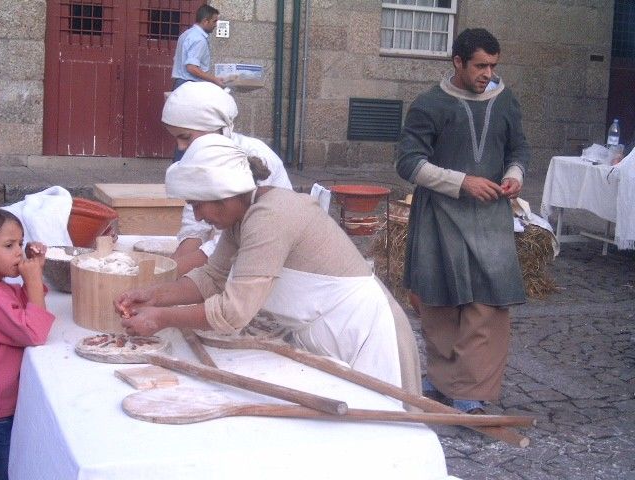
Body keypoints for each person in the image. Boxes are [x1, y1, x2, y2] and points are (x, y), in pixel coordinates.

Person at [115, 134, 422, 398]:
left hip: (363, 334)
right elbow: (211, 277)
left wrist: (162, 318)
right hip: (325, 330)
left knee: (375, 440)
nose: (196, 218)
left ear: (225, 195)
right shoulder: (243, 216)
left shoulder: (270, 217)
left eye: (198, 205)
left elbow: (233, 312)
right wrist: (153, 296)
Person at [396, 28, 530, 414]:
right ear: (458, 62)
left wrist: (515, 174)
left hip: (490, 217)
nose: (488, 73)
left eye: (493, 65)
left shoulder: (505, 102)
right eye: (480, 65)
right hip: (440, 214)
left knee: (487, 303)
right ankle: (441, 381)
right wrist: (461, 182)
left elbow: (519, 146)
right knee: (438, 301)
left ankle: (471, 389)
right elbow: (408, 163)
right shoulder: (429, 104)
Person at [161, 80, 293, 275]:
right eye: (176, 138)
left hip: (267, 264)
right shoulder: (197, 162)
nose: (180, 147)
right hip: (226, 260)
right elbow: (194, 228)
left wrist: (166, 277)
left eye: (186, 137)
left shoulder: (254, 158)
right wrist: (166, 271)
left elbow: (224, 246)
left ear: (215, 127)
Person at [0, 210, 55, 479]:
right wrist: (32, 280)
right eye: (9, 245)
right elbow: (34, 332)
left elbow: (22, 305)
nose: (19, 252)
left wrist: (34, 272)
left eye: (20, 243)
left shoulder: (2, 286)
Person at [171, 5, 225, 90]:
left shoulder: (186, 34)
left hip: (180, 84)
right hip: (190, 86)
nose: (215, 25)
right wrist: (215, 79)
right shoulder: (199, 39)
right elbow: (191, 68)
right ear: (205, 21)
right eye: (214, 21)